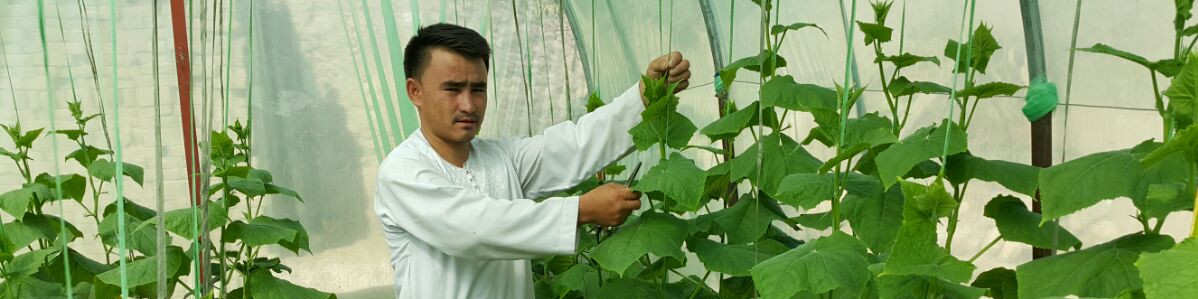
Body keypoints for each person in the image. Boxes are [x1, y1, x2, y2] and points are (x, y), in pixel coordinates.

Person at [373, 23, 692, 298]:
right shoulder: (403, 172)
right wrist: (582, 210)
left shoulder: (501, 158)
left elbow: (574, 145)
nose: (468, 104)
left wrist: (644, 97)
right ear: (415, 91)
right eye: (453, 89)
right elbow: (476, 228)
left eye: (479, 89)